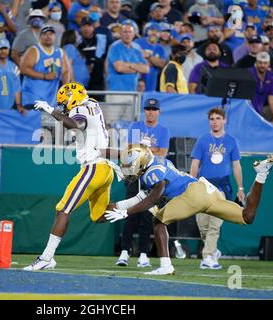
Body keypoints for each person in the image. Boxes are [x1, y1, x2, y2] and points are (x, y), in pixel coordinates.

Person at [105, 144, 273, 275]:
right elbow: (142, 198)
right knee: (246, 216)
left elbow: (155, 196)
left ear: (142, 162)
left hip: (193, 194)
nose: (129, 170)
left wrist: (126, 212)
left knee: (158, 222)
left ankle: (166, 266)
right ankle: (261, 174)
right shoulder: (158, 163)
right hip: (208, 191)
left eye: (131, 166)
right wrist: (118, 207)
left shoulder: (152, 172)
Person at [23, 82, 117, 271]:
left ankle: (47, 257)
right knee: (99, 215)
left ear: (72, 98)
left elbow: (77, 124)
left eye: (64, 103)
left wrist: (50, 110)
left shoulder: (80, 108)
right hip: (107, 169)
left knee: (63, 210)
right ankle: (138, 203)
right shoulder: (93, 103)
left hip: (94, 168)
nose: (63, 107)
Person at [116, 98, 170, 268]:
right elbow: (130, 148)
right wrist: (144, 148)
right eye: (147, 109)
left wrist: (145, 148)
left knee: (148, 216)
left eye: (154, 109)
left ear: (158, 112)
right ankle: (124, 252)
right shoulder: (135, 126)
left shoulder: (163, 130)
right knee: (130, 213)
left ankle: (143, 254)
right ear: (144, 111)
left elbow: (162, 152)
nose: (150, 112)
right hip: (135, 174)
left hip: (153, 176)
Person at [190, 108, 245, 269]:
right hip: (203, 185)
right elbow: (195, 164)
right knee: (202, 225)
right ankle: (213, 251)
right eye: (212, 119)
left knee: (215, 223)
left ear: (224, 120)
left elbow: (236, 165)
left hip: (221, 186)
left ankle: (207, 257)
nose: (215, 121)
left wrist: (240, 188)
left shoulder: (231, 141)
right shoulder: (203, 140)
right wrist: (191, 184)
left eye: (218, 118)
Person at [20, 25, 70, 109]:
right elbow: (23, 69)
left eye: (51, 34)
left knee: (50, 121)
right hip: (32, 98)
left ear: (55, 36)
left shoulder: (60, 52)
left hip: (51, 100)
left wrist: (65, 89)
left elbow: (65, 71)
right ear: (40, 36)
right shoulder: (34, 50)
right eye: (45, 34)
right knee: (35, 121)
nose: (48, 36)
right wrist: (44, 76)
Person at [249, 51, 273, 128]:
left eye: (265, 63)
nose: (262, 65)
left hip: (260, 110)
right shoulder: (249, 74)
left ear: (269, 64)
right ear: (256, 63)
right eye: (260, 62)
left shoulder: (271, 76)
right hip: (249, 110)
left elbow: (272, 98)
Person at [78, 17, 110, 91]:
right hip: (82, 79)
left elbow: (106, 58)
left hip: (99, 78)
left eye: (89, 26)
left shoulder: (101, 40)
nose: (86, 29)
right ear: (80, 28)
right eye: (84, 26)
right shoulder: (78, 41)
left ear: (93, 27)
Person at [134, 22, 167, 92]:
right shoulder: (137, 42)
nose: (154, 33)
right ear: (147, 31)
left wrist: (148, 56)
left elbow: (162, 64)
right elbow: (133, 59)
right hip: (136, 78)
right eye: (152, 30)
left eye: (157, 31)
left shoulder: (160, 48)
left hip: (151, 81)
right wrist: (154, 61)